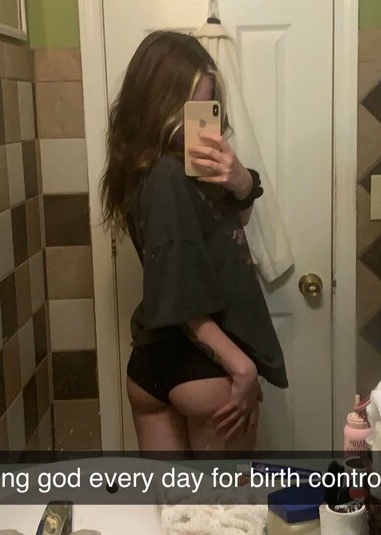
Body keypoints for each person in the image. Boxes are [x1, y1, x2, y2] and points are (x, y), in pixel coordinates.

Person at [101, 31, 288, 453]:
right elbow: (181, 296)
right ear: (160, 106)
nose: (202, 125)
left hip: (151, 366)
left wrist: (242, 184)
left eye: (208, 107)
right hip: (204, 368)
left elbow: (222, 233)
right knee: (225, 499)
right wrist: (242, 367)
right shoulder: (168, 178)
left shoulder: (155, 169)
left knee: (171, 499)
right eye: (191, 110)